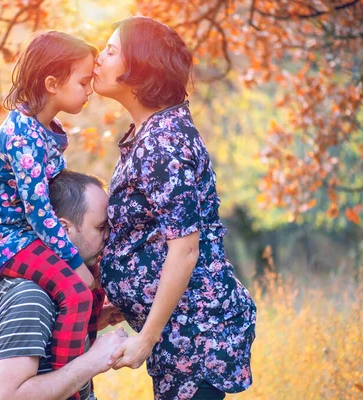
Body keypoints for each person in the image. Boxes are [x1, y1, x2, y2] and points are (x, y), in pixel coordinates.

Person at [93, 17, 257, 399]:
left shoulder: (163, 142)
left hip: (196, 338)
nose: (97, 58)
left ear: (139, 69)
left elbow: (184, 250)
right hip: (181, 338)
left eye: (111, 51)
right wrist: (121, 301)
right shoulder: (151, 134)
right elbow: (149, 237)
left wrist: (145, 340)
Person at [0, 31, 101, 394]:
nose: (90, 89)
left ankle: (75, 363)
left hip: (25, 233)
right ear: (53, 83)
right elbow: (40, 210)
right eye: (84, 81)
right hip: (3, 237)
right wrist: (74, 262)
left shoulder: (45, 129)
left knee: (93, 287)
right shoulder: (23, 135)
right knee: (76, 291)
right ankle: (67, 386)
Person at [0, 170, 126, 400]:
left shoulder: (51, 287)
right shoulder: (30, 296)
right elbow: (8, 397)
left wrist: (95, 321)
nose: (109, 236)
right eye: (100, 227)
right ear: (62, 229)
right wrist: (93, 361)